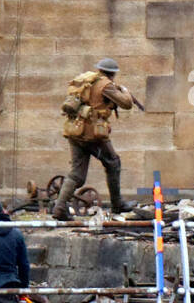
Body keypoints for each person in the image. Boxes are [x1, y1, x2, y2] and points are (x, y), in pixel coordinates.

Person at [51, 57, 136, 220]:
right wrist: (124, 91)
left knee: (77, 174)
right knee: (113, 162)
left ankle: (59, 208)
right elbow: (126, 104)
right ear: (112, 73)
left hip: (75, 131)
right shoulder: (106, 85)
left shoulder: (87, 82)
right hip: (93, 134)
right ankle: (117, 204)